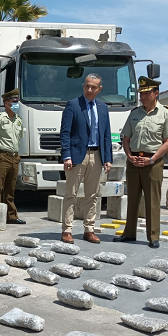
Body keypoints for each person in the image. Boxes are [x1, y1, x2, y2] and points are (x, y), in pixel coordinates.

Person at [114, 76, 168, 248]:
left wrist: (152, 159)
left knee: (152, 200)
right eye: (141, 93)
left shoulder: (166, 113)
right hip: (134, 160)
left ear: (156, 93)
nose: (142, 96)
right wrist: (129, 156)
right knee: (132, 198)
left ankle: (153, 236)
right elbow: (125, 138)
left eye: (147, 93)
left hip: (153, 162)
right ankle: (129, 233)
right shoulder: (134, 113)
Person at [59, 74, 112, 244]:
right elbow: (65, 132)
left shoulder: (103, 108)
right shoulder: (73, 105)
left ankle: (89, 229)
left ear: (99, 89)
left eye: (93, 87)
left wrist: (107, 158)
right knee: (70, 194)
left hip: (97, 155)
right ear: (83, 86)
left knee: (93, 194)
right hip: (76, 156)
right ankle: (67, 230)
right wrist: (66, 155)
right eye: (87, 86)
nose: (89, 90)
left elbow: (106, 135)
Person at [0, 88, 25, 224]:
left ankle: (11, 216)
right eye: (14, 101)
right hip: (2, 156)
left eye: (17, 101)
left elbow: (19, 139)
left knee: (11, 189)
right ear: (6, 103)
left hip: (15, 158)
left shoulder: (18, 120)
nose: (16, 104)